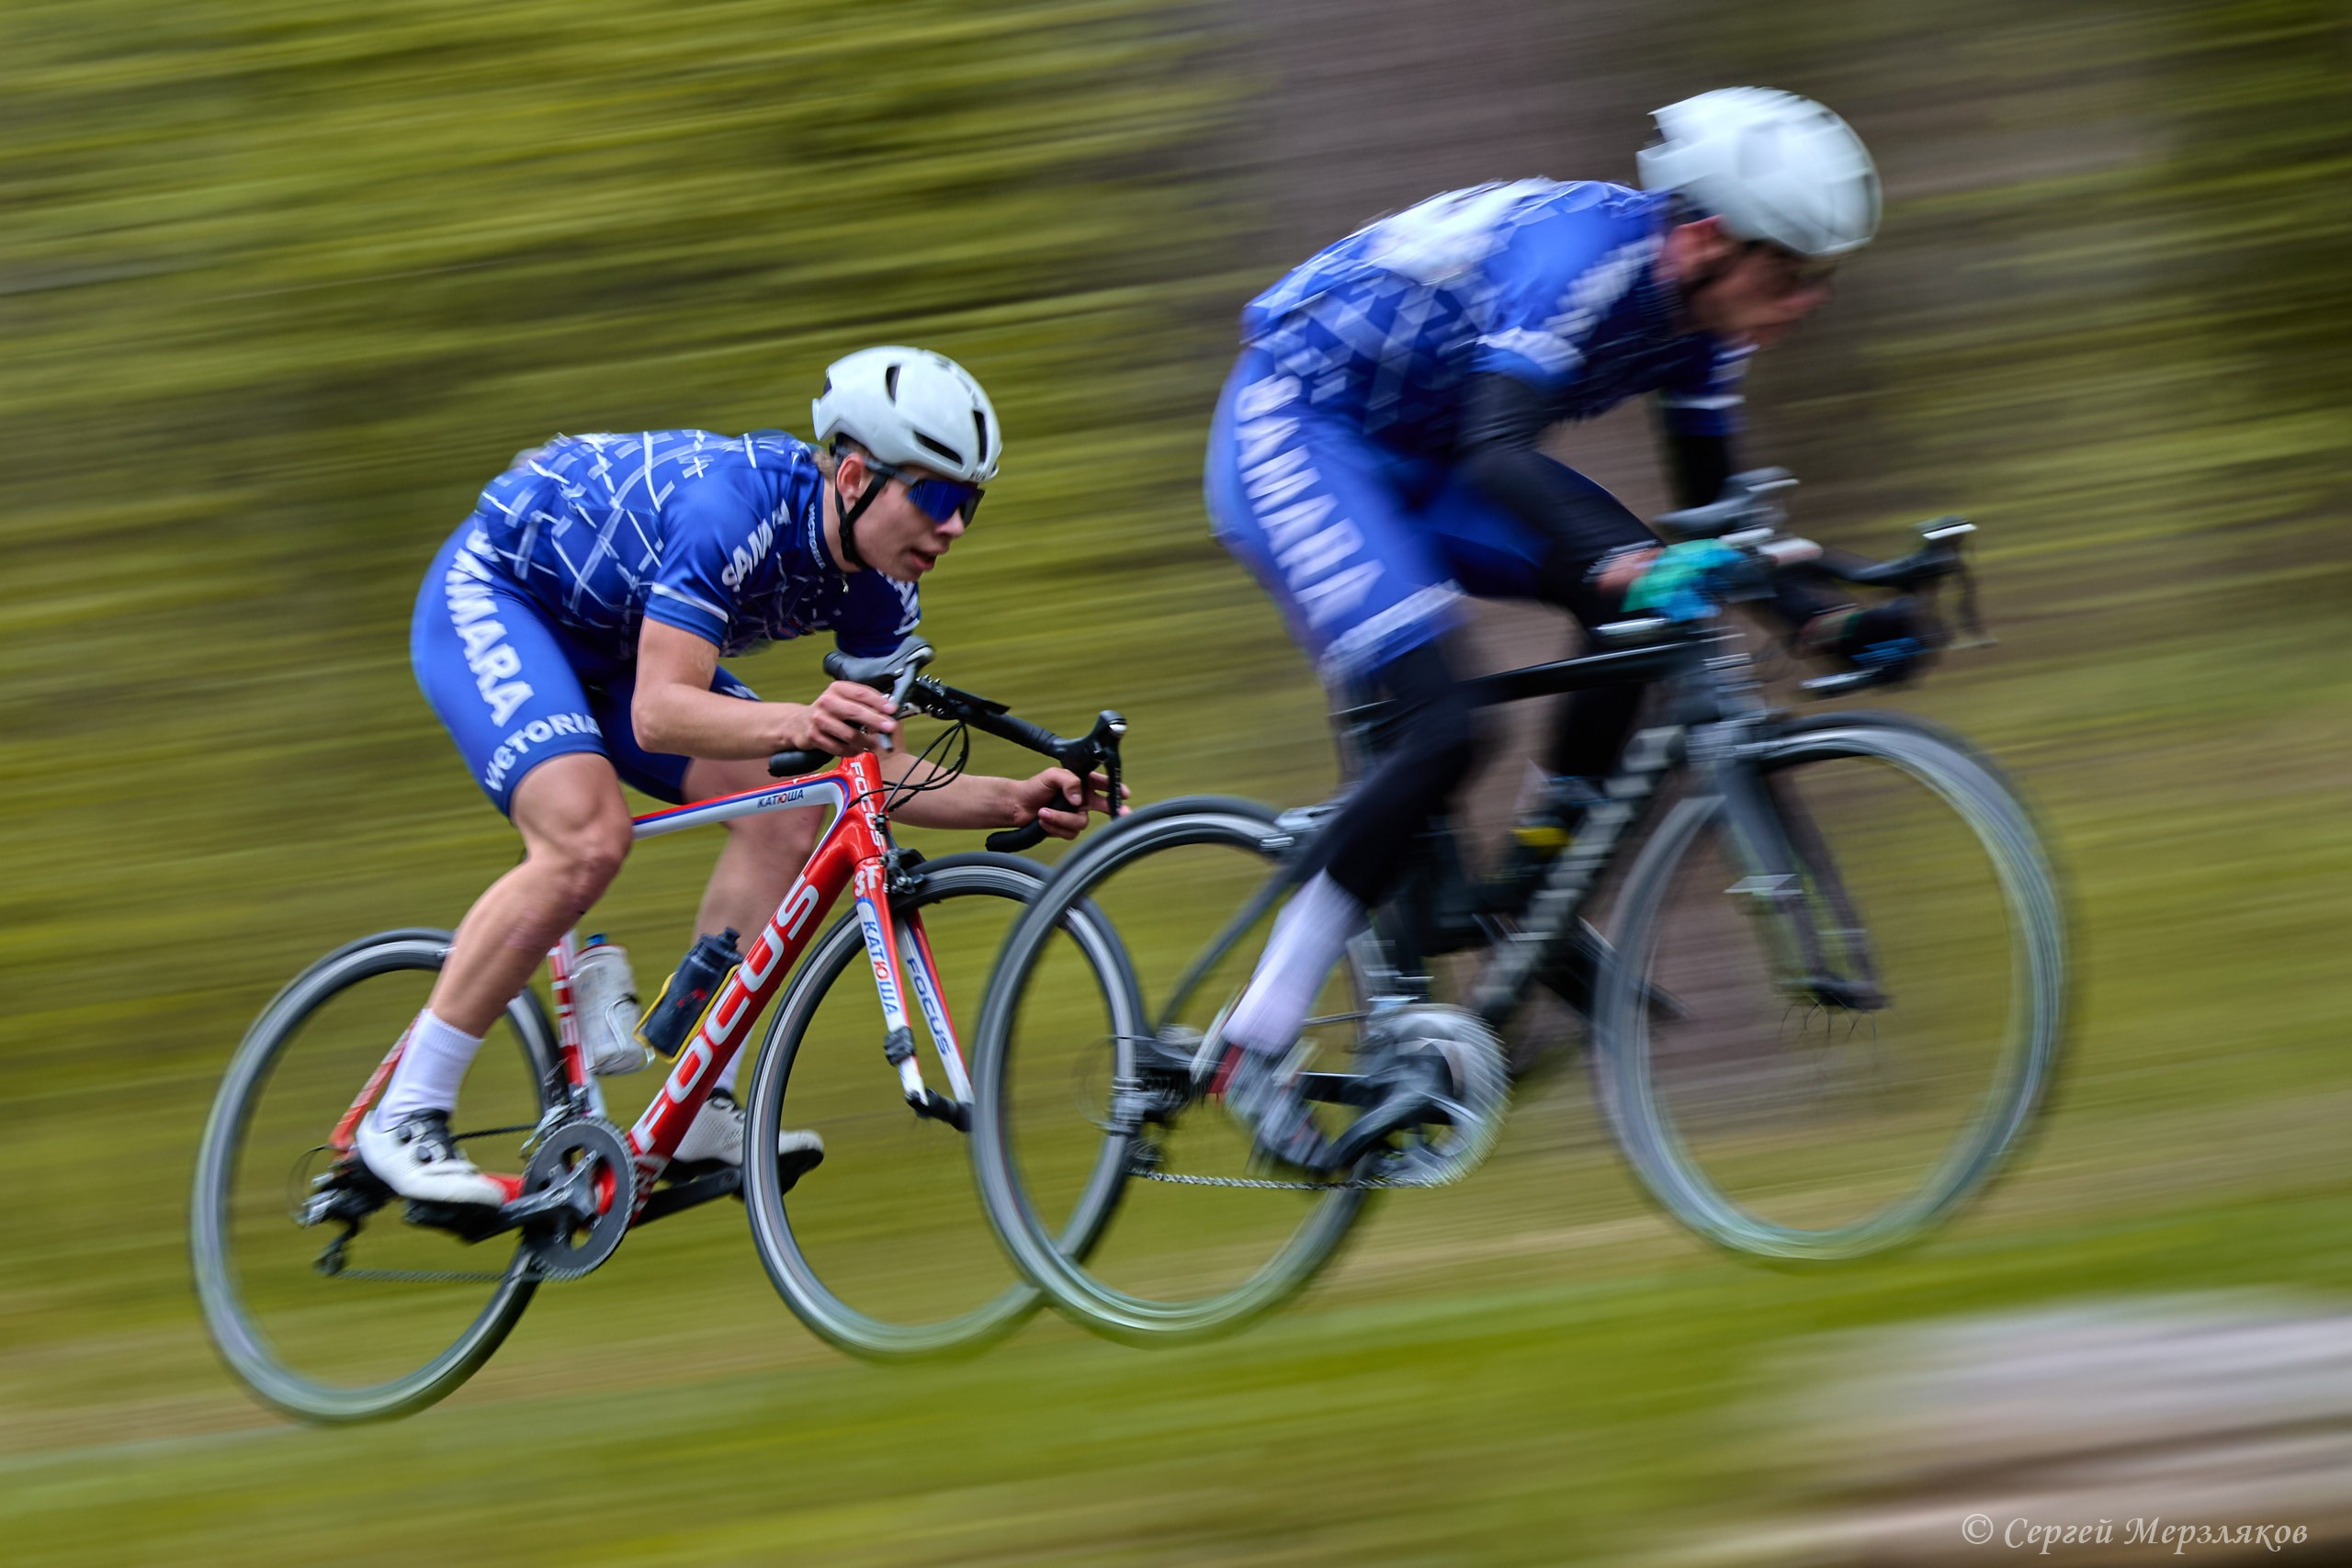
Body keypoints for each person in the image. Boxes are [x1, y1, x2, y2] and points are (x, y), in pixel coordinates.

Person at [1199, 88, 1926, 1168]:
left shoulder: (1701, 323)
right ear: (1704, 240)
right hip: (1304, 427)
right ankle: (1249, 1039)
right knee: (1447, 729)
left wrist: (1824, 623)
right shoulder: (1581, 261)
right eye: (1790, 273)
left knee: (1640, 601)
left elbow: (1706, 524)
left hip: (1422, 451)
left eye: (1822, 278)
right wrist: (1623, 560)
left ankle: (1529, 887)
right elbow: (1500, 453)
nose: (1807, 300)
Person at [361, 346, 1117, 1205]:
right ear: (857, 474)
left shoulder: (882, 588)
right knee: (585, 839)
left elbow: (873, 771)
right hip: (505, 598)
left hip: (623, 645)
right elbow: (659, 710)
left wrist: (1011, 796)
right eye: (937, 497)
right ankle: (408, 1112)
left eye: (969, 504)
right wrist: (802, 719)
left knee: (794, 813)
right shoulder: (733, 507)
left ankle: (693, 1106)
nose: (954, 528)